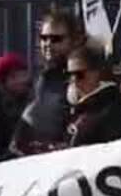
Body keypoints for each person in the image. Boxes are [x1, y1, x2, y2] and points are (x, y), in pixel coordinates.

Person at [11, 10, 84, 156]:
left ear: (74, 41)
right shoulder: (45, 76)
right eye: (44, 38)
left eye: (56, 39)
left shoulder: (81, 77)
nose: (48, 44)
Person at [66, 41, 121, 147]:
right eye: (70, 75)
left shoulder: (111, 111)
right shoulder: (77, 108)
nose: (74, 81)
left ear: (95, 73)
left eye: (79, 74)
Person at [0, 51, 34, 159]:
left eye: (23, 74)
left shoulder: (33, 100)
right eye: (14, 76)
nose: (22, 80)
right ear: (2, 82)